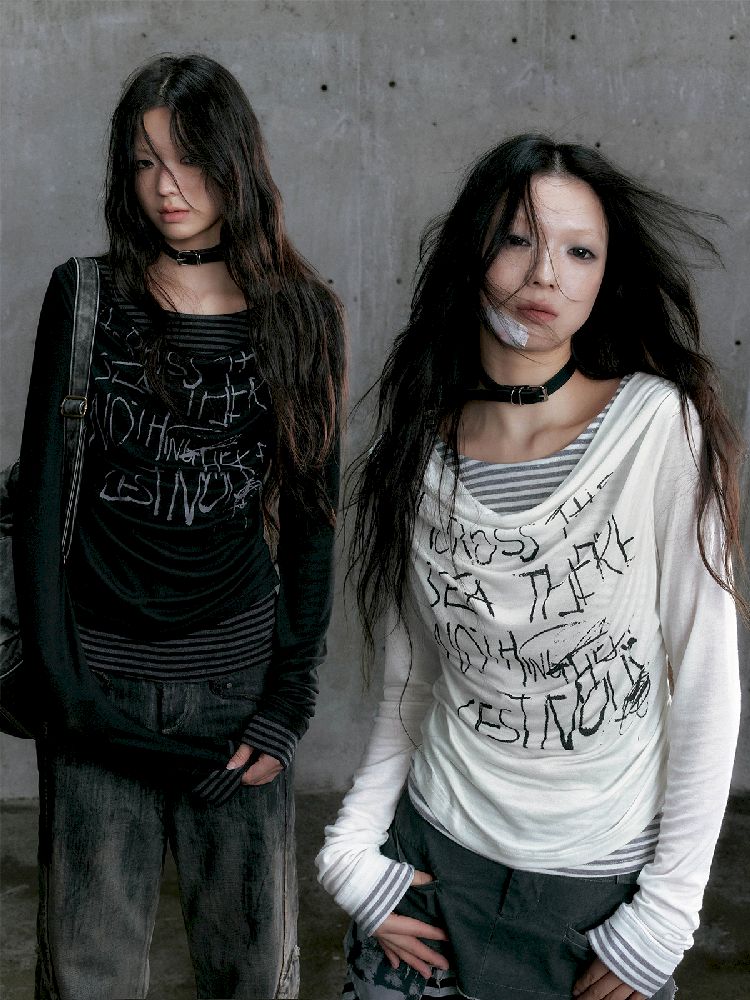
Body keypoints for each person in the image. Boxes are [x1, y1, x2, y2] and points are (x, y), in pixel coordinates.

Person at [316, 134, 744, 1000]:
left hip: (596, 897)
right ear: (473, 253)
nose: (547, 273)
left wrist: (667, 914)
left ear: (605, 278)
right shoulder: (422, 452)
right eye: (518, 240)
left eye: (580, 252)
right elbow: (414, 680)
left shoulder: (655, 427)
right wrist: (350, 855)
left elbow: (706, 680)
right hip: (431, 870)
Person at [13, 53, 345, 999]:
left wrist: (287, 703)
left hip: (234, 692)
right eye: (145, 161)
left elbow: (312, 525)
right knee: (87, 975)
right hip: (98, 684)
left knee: (250, 973)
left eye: (191, 158)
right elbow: (39, 505)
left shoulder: (301, 315)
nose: (168, 186)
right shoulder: (84, 298)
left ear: (236, 161)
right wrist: (64, 690)